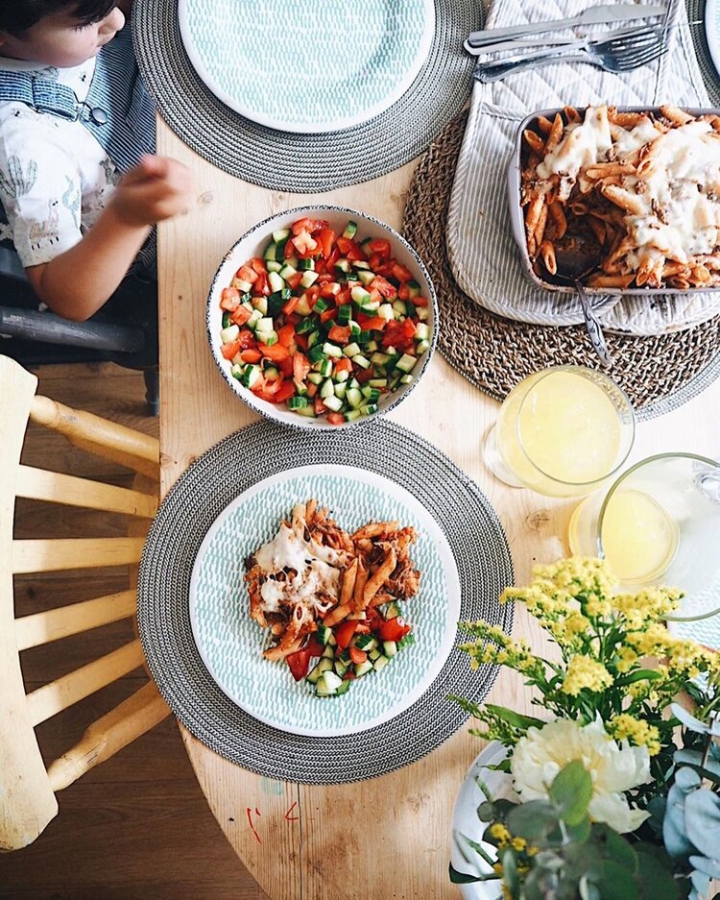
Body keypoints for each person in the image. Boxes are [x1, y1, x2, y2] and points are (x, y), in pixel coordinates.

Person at [0, 0, 194, 322]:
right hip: (164, 229)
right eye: (85, 23)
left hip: (181, 107)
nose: (116, 21)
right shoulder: (25, 143)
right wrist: (126, 219)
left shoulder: (59, 22)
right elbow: (68, 297)